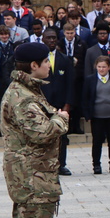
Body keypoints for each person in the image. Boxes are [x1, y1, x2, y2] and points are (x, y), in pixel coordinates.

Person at [1, 42, 70, 218]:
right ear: (33, 66)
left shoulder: (27, 90)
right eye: (45, 62)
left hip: (29, 171)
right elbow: (41, 132)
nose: (48, 66)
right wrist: (61, 118)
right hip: (32, 174)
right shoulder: (23, 96)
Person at [40, 29, 74, 176]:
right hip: (42, 104)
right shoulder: (38, 61)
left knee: (61, 136)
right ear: (43, 40)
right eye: (49, 38)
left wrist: (68, 104)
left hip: (60, 105)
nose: (52, 40)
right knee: (43, 135)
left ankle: (61, 164)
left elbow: (71, 84)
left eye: (54, 38)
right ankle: (44, 164)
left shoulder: (65, 59)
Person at [82, 55, 110, 174]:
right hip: (97, 115)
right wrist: (87, 114)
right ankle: (96, 164)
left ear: (109, 67)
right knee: (97, 141)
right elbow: (85, 97)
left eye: (104, 67)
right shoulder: (90, 79)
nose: (101, 69)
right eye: (99, 67)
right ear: (96, 67)